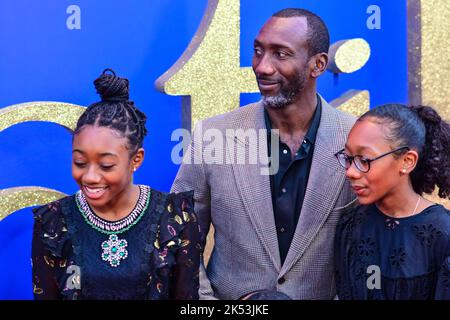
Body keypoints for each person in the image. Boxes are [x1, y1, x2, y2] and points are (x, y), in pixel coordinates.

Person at [171, 8, 356, 299]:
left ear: (318, 65)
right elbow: (180, 237)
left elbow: (372, 249)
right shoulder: (213, 136)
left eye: (280, 54)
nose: (262, 67)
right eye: (258, 51)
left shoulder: (355, 140)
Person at [31, 69, 201, 300]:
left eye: (106, 165)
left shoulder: (175, 217)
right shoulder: (52, 221)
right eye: (80, 162)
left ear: (136, 160)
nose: (90, 176)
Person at [334, 103, 450, 299]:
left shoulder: (443, 234)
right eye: (348, 158)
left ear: (407, 161)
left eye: (364, 160)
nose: (350, 172)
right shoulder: (350, 225)